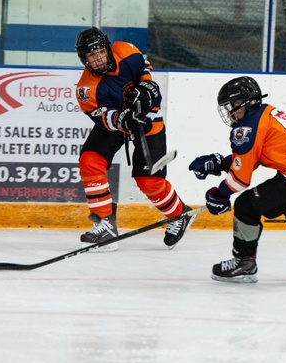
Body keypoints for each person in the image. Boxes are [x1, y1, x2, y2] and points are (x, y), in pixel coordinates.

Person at [188, 76, 286, 283]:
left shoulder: (247, 127)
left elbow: (240, 179)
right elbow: (255, 155)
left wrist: (220, 194)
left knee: (246, 206)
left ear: (245, 102)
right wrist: (221, 163)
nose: (229, 112)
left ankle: (244, 263)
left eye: (231, 106)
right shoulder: (265, 112)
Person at [74, 27, 195, 250]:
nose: (98, 58)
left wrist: (147, 86)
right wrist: (121, 119)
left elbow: (144, 69)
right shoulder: (86, 88)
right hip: (116, 121)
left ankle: (180, 214)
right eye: (91, 55)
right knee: (90, 160)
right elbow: (101, 116)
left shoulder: (126, 51)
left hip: (146, 118)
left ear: (108, 49)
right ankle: (105, 223)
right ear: (84, 60)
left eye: (100, 51)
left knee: (149, 180)